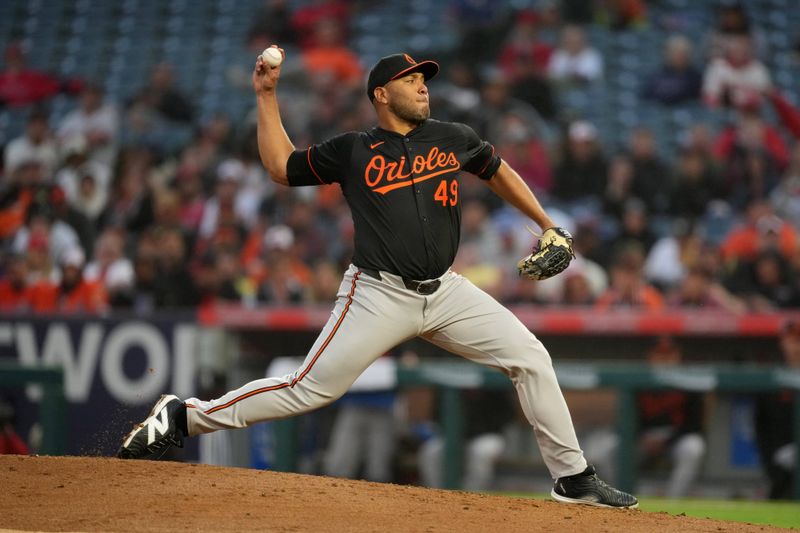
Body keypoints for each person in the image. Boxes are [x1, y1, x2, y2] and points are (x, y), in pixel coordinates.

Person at [116, 48, 638, 509]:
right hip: (378, 292)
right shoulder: (353, 149)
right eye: (411, 80)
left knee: (531, 357)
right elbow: (280, 167)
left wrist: (546, 224)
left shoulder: (453, 137)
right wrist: (267, 95)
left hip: (447, 290)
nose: (422, 85)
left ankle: (573, 478)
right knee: (308, 389)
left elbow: (496, 168)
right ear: (381, 94)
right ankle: (184, 417)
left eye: (424, 79)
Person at [585, 337, 706, 498]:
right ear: (651, 356)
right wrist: (640, 438)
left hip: (676, 439)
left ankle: (674, 502)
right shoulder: (638, 380)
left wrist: (666, 441)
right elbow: (625, 421)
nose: (665, 359)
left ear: (678, 356)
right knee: (604, 450)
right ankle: (621, 497)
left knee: (694, 447)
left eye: (669, 354)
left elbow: (694, 425)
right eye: (660, 354)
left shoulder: (690, 382)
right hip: (642, 438)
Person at [755, 320, 800, 499]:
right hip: (784, 449)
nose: (795, 346)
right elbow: (761, 426)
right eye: (791, 340)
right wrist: (770, 458)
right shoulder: (773, 378)